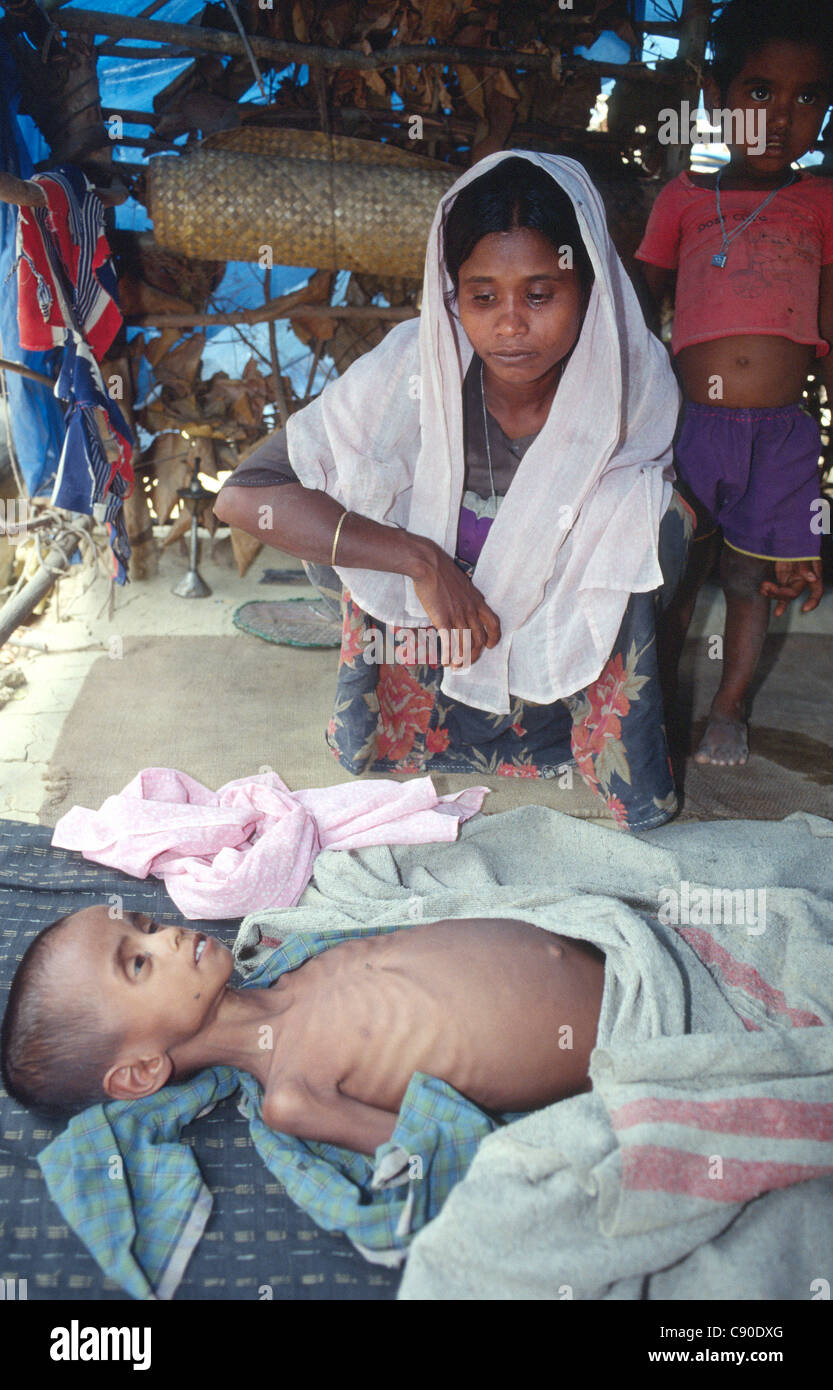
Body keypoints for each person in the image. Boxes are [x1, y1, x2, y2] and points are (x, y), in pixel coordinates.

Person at [216, 152, 692, 830]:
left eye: (539, 294)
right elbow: (243, 497)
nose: (508, 325)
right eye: (482, 296)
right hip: (424, 625)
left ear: (588, 289)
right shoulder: (414, 365)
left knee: (651, 518)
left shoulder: (629, 383)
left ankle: (596, 747)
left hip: (554, 637)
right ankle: (396, 718)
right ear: (452, 296)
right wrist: (421, 560)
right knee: (340, 478)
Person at [637, 0, 833, 766]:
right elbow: (634, 310)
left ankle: (728, 708)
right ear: (716, 98)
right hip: (691, 429)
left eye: (808, 96)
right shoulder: (684, 199)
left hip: (782, 433)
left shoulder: (822, 203)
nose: (781, 116)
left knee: (753, 582)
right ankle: (649, 699)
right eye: (758, 93)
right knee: (673, 577)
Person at [0, 908, 605, 1156]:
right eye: (138, 963)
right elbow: (450, 1148)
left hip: (604, 948)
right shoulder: (293, 1096)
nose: (169, 937)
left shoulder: (301, 964)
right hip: (612, 1035)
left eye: (148, 924)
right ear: (141, 1070)